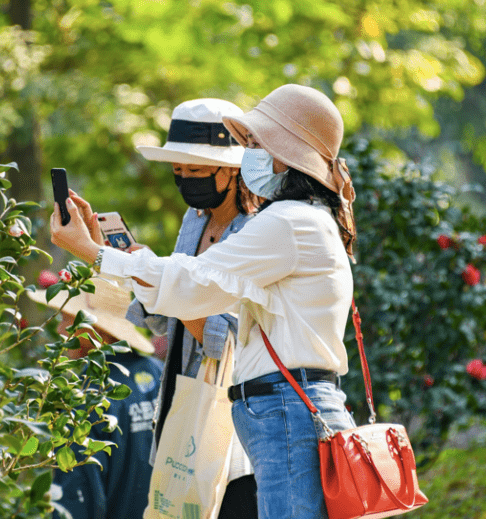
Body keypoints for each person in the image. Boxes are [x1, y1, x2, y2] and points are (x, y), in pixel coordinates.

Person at [49, 83, 358, 519]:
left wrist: (99, 254)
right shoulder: (291, 219)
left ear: (283, 152)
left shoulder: (285, 222)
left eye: (254, 142)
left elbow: (197, 289)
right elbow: (182, 299)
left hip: (280, 407)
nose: (247, 152)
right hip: (265, 405)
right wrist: (122, 262)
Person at [128, 98, 259, 518]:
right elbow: (164, 320)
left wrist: (169, 285)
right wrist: (138, 270)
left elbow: (226, 340)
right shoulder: (194, 219)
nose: (185, 181)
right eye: (178, 171)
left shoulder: (257, 232)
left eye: (196, 171)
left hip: (233, 419)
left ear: (231, 169)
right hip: (180, 400)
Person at [26, 274, 163, 519]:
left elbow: (78, 494)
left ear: (95, 327)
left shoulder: (88, 392)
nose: (60, 329)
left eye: (67, 319)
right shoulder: (159, 373)